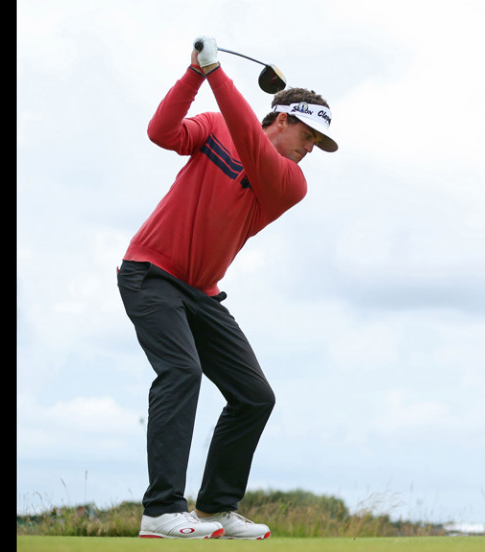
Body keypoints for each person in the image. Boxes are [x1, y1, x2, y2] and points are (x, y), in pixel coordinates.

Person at [116, 36, 338, 539]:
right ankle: (161, 512)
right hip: (149, 273)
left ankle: (215, 508)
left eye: (318, 145)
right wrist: (195, 73)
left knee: (254, 396)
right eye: (308, 136)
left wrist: (216, 72)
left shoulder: (288, 181)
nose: (310, 150)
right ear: (282, 118)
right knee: (181, 371)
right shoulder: (216, 127)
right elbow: (161, 132)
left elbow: (250, 141)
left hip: (202, 293)